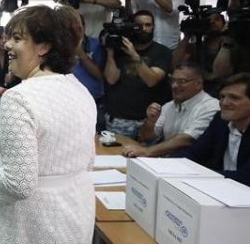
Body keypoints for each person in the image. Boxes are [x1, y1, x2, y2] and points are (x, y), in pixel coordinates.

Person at [0, 5, 96, 244]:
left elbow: (18, 184)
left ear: (44, 47)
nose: (6, 44)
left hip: (34, 221)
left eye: (18, 38)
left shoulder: (19, 98)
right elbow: (85, 159)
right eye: (8, 37)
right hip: (75, 209)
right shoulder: (79, 89)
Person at [177, 73, 250, 217]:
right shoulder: (220, 120)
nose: (224, 102)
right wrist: (170, 168)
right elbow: (194, 152)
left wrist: (196, 176)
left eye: (234, 97)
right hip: (225, 196)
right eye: (222, 97)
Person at [121, 62, 219, 157]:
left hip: (193, 165)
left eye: (182, 81)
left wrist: (147, 151)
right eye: (172, 80)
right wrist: (151, 121)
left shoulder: (211, 107)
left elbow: (187, 139)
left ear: (198, 84)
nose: (174, 86)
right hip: (166, 161)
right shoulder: (168, 106)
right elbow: (145, 137)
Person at [103, 10, 172, 138]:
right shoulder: (119, 49)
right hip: (119, 120)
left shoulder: (163, 52)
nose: (143, 29)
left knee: (148, 157)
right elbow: (111, 79)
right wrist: (110, 53)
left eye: (148, 25)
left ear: (153, 27)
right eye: (139, 25)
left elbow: (151, 80)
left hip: (148, 121)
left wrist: (133, 54)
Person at [72, 14, 106, 130]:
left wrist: (82, 55)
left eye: (78, 27)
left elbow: (100, 75)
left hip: (95, 101)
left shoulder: (96, 44)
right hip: (69, 103)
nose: (75, 31)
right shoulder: (59, 46)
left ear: (84, 27)